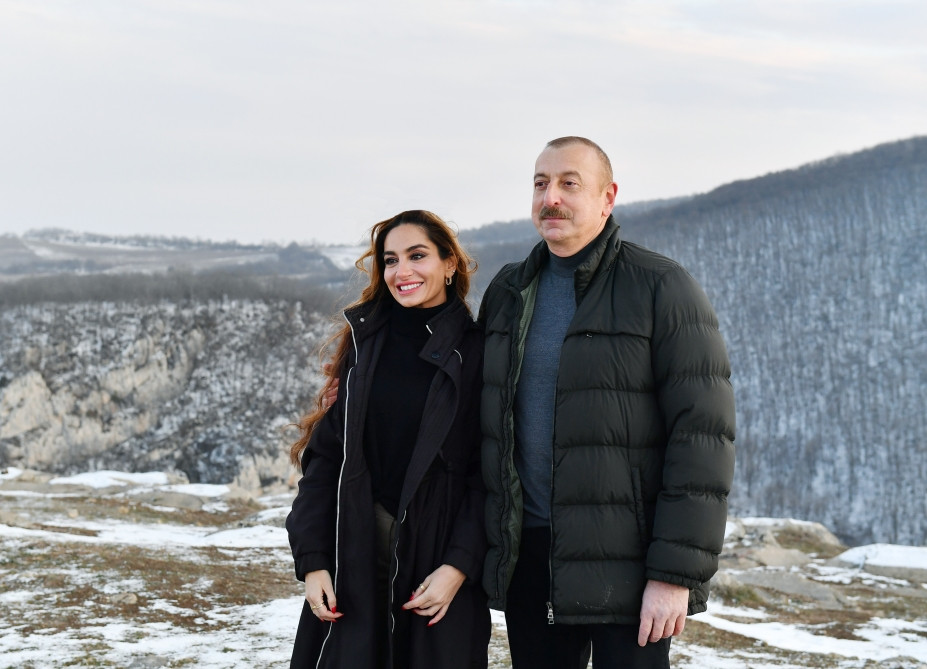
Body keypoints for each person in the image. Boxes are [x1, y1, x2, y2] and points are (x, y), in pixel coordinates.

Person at [479, 137, 736, 669]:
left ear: (607, 197)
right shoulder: (508, 292)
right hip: (533, 558)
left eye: (569, 183)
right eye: (541, 183)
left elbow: (702, 438)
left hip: (630, 562)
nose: (551, 197)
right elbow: (471, 403)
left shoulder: (660, 286)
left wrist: (673, 576)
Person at [286, 210, 490, 669]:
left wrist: (458, 566)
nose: (402, 271)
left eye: (417, 256)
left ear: (450, 263)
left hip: (436, 565)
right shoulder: (366, 342)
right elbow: (327, 460)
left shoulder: (477, 352)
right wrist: (314, 560)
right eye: (391, 260)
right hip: (356, 555)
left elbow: (489, 474)